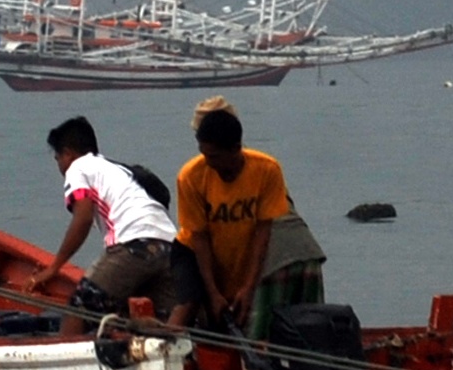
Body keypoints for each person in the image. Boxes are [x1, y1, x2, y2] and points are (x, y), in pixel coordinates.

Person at [40, 115, 191, 328]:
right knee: (164, 325)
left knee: (79, 308)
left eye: (58, 159)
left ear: (67, 154)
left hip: (135, 245)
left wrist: (54, 267)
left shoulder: (78, 167)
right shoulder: (117, 170)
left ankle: (65, 355)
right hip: (171, 249)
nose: (60, 167)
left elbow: (82, 219)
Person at [174, 95, 297, 332]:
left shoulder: (267, 170)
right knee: (189, 305)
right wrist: (212, 292)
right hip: (192, 251)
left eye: (214, 157)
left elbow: (263, 233)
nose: (208, 162)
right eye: (204, 154)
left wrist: (248, 288)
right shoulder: (190, 176)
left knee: (234, 322)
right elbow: (199, 238)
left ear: (236, 149)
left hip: (235, 257)